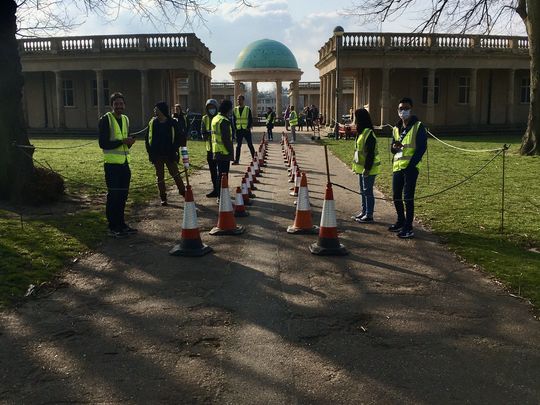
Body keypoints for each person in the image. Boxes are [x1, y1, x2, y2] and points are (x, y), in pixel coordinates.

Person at [98, 92, 137, 238]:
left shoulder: (126, 119)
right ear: (112, 105)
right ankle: (112, 226)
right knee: (113, 196)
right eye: (116, 104)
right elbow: (103, 144)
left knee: (123, 196)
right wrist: (122, 142)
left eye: (121, 104)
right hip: (112, 165)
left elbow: (124, 142)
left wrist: (129, 143)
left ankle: (121, 224)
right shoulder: (105, 120)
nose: (119, 106)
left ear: (124, 105)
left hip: (125, 164)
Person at [390, 97, 427, 239]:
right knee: (396, 196)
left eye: (406, 108)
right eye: (401, 109)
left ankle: (408, 227)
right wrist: (394, 147)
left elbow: (422, 148)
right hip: (397, 166)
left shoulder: (418, 126)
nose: (403, 111)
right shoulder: (396, 128)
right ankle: (400, 221)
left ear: (411, 110)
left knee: (408, 198)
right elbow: (393, 148)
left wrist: (412, 165)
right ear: (397, 110)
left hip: (411, 167)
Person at [145, 101, 187, 206]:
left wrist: (175, 149)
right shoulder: (152, 123)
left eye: (156, 109)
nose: (154, 111)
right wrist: (150, 152)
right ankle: (163, 197)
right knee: (160, 177)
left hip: (169, 154)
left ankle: (184, 193)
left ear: (162, 110)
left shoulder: (172, 123)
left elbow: (179, 137)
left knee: (176, 174)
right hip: (157, 155)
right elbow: (147, 138)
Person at [351, 108, 380, 223]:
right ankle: (364, 211)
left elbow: (370, 153)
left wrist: (367, 169)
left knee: (367, 191)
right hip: (361, 168)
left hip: (369, 168)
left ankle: (369, 214)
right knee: (363, 191)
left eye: (356, 118)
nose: (354, 120)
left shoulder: (368, 133)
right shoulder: (361, 132)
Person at [212, 99, 235, 196]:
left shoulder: (215, 118)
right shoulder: (224, 121)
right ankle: (222, 195)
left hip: (216, 151)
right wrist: (231, 152)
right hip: (224, 152)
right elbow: (226, 139)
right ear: (228, 109)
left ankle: (219, 193)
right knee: (224, 175)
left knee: (219, 174)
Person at [201, 99, 220, 198]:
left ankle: (221, 190)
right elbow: (203, 134)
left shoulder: (220, 118)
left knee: (220, 172)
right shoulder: (204, 119)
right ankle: (215, 189)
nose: (211, 110)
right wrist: (207, 133)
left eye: (212, 108)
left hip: (219, 149)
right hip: (210, 149)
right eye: (209, 108)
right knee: (212, 171)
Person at [231, 95, 255, 165]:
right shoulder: (235, 109)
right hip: (239, 130)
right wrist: (235, 129)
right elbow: (233, 120)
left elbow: (250, 119)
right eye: (238, 99)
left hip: (246, 130)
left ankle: (254, 159)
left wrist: (248, 127)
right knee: (238, 146)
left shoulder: (247, 109)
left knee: (250, 144)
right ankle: (237, 160)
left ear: (243, 100)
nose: (238, 101)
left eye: (240, 99)